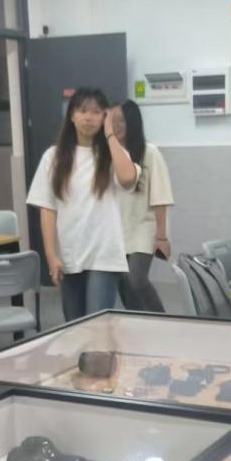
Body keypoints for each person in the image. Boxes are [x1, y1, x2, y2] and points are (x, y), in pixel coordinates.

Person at [27, 87, 139, 322]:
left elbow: (128, 178)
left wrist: (110, 135)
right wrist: (52, 256)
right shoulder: (53, 157)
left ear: (105, 117)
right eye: (82, 110)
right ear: (71, 115)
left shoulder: (112, 155)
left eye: (97, 112)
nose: (89, 117)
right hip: (71, 253)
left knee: (97, 325)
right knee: (74, 325)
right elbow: (47, 209)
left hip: (105, 254)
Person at [113, 100, 173, 312]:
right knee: (124, 284)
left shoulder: (150, 152)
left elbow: (161, 195)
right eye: (112, 121)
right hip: (118, 230)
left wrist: (161, 237)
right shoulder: (109, 154)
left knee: (136, 279)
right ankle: (138, 323)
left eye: (121, 121)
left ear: (132, 123)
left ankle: (162, 321)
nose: (116, 126)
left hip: (144, 228)